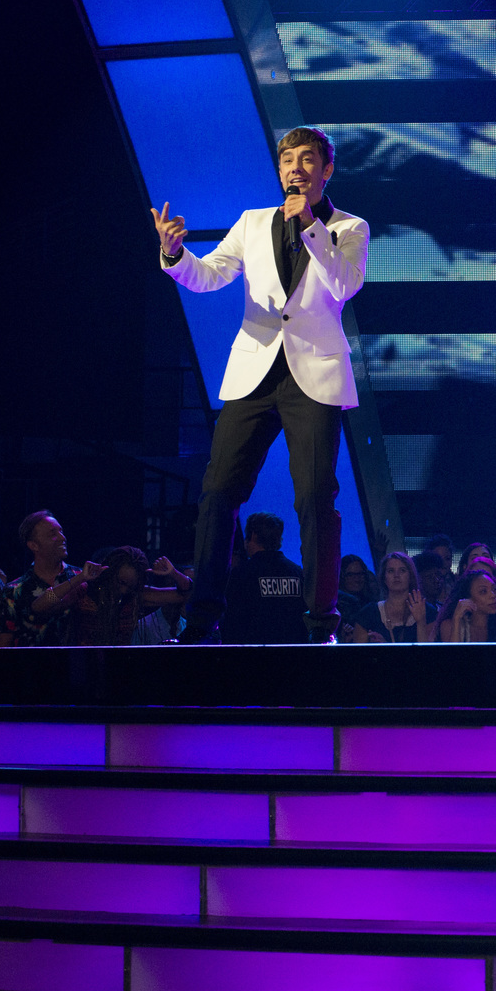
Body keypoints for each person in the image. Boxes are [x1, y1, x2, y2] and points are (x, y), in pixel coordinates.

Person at [154, 125, 369, 643]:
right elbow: (210, 275)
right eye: (288, 161)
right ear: (279, 170)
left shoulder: (349, 227)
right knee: (217, 493)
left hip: (314, 376)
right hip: (254, 372)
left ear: (326, 170)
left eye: (307, 160)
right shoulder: (252, 222)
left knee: (315, 498)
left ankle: (320, 624)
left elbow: (344, 284)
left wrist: (311, 225)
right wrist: (175, 254)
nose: (296, 169)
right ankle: (201, 618)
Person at [0, 511, 102, 647]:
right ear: (34, 545)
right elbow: (4, 645)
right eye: (52, 534)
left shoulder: (85, 577)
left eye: (61, 531)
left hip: (77, 660)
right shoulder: (14, 591)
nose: (62, 537)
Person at [62, 546, 185, 645]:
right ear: (110, 573)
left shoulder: (136, 596)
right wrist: (79, 578)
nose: (124, 590)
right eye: (121, 582)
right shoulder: (85, 590)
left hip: (120, 665)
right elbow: (49, 603)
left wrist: (174, 573)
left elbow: (186, 594)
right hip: (82, 664)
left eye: (131, 587)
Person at [220, 515, 309, 645]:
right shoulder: (297, 573)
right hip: (293, 653)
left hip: (254, 653)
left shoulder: (241, 574)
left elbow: (232, 622)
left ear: (253, 535)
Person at [344, 550, 435, 643]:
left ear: (410, 576)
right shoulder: (368, 614)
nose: (396, 575)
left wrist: (421, 622)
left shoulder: (428, 611)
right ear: (384, 577)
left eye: (402, 570)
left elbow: (428, 651)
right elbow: (358, 651)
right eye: (391, 571)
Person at [441, 567, 496, 643]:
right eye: (483, 591)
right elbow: (453, 657)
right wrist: (456, 619)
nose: (493, 595)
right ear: (468, 598)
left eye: (494, 589)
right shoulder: (451, 624)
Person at [336, 553, 374, 629]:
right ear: (341, 576)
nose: (357, 579)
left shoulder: (371, 605)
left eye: (360, 574)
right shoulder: (335, 608)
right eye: (350, 575)